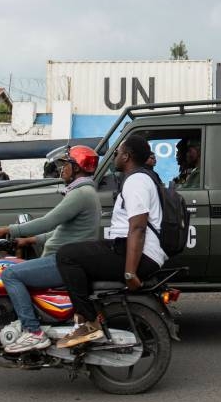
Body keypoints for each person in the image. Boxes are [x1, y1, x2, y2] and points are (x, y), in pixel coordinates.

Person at [0, 146, 101, 353]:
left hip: (62, 262)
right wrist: (29, 240)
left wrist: (7, 230)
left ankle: (33, 332)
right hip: (66, 259)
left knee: (10, 274)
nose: (62, 169)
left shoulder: (81, 194)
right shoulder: (85, 192)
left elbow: (48, 222)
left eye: (66, 165)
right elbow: (62, 231)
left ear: (78, 168)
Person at [54, 133, 167, 348]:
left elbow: (138, 227)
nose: (114, 155)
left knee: (67, 255)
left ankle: (88, 323)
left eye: (117, 152)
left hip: (137, 254)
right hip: (131, 250)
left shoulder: (137, 181)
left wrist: (130, 272)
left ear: (127, 156)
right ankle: (88, 316)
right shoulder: (140, 178)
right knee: (80, 254)